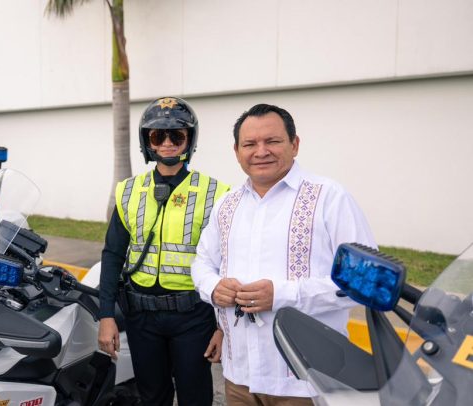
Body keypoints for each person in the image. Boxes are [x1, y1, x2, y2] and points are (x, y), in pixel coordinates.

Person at [191, 104, 376, 405]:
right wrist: (213, 287)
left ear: (295, 144)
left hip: (306, 381)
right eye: (250, 144)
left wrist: (281, 295)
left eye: (273, 141)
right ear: (237, 151)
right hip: (239, 377)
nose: (261, 151)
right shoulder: (227, 204)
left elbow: (364, 279)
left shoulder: (330, 197)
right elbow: (202, 262)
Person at [98, 97, 230, 406]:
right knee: (151, 397)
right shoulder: (129, 191)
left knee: (195, 397)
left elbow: (228, 264)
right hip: (141, 316)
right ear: (147, 142)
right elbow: (113, 255)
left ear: (189, 140)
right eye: (158, 136)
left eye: (176, 136)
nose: (167, 143)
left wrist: (223, 328)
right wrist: (106, 316)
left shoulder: (217, 193)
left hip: (194, 316)